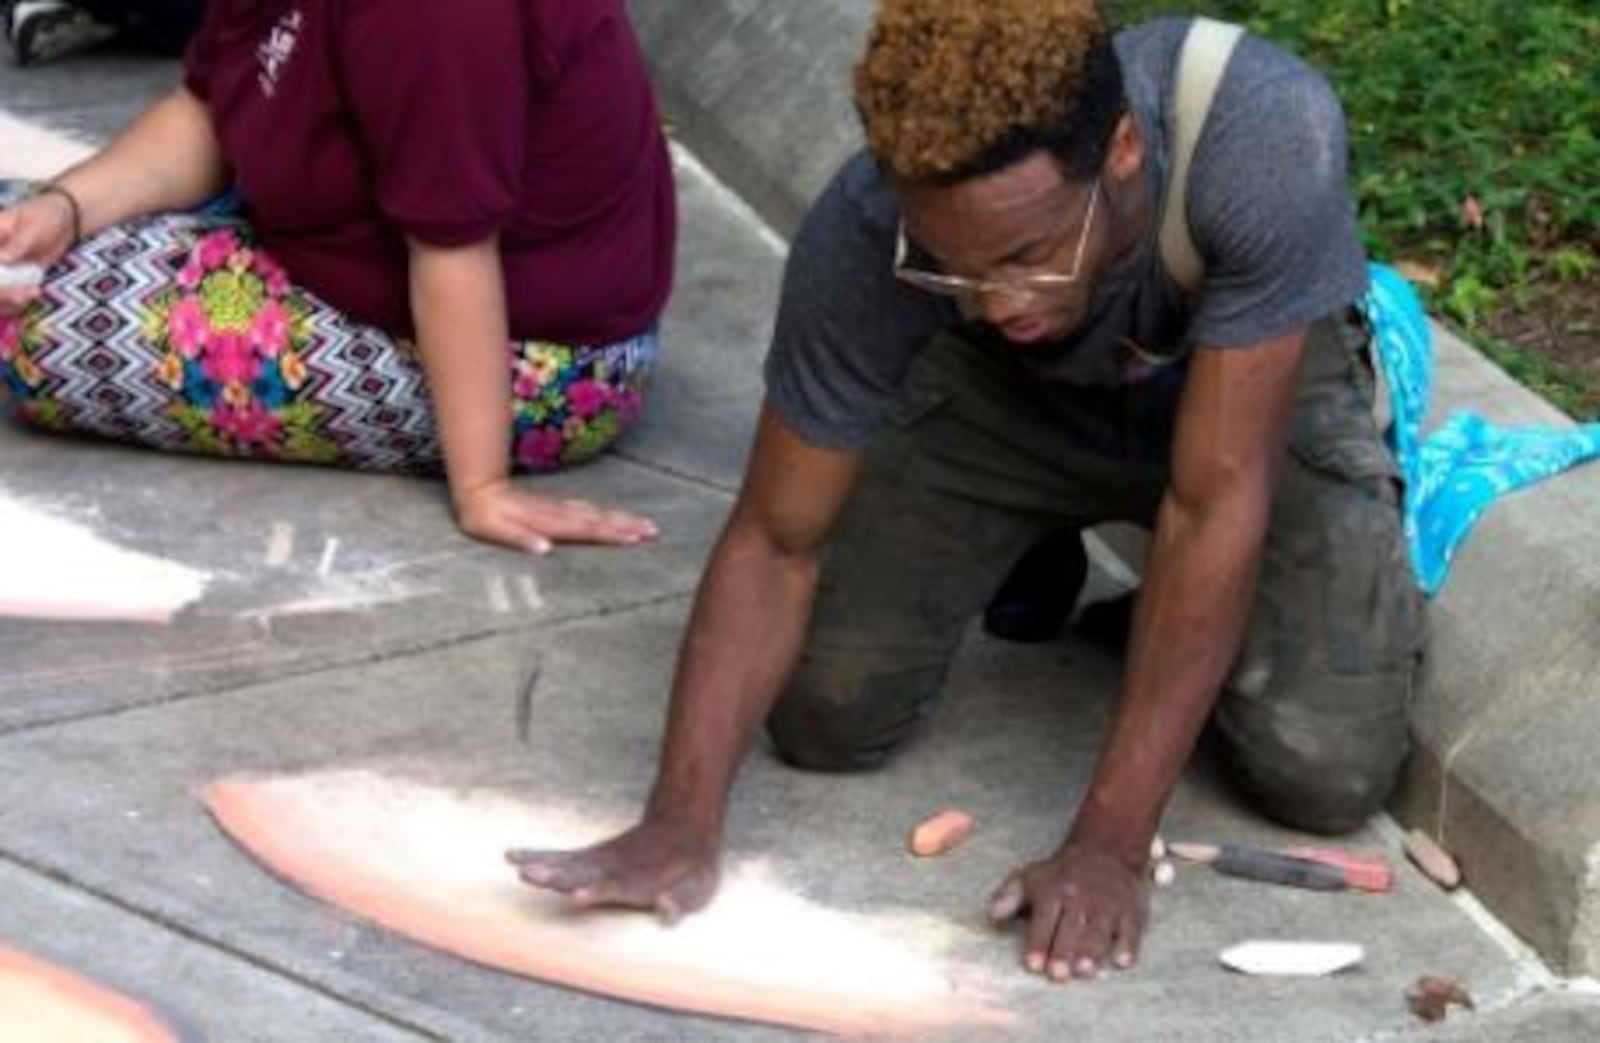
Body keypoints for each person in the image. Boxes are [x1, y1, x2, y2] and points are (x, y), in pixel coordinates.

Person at [508, 0, 1426, 984]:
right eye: (950, 267)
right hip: (1013, 404)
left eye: (1029, 255)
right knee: (823, 712)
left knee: (1324, 767)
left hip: (1237, 392)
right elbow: (775, 538)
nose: (996, 302)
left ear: (1120, 150)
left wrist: (1108, 845)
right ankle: (1030, 538)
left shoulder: (1259, 133)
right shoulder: (867, 226)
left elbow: (1211, 507)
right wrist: (676, 822)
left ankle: (1143, 607)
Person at [0, 0, 674, 554]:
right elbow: (208, 108)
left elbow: (453, 243)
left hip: (537, 361)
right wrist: (66, 206)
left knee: (32, 322)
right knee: (12, 236)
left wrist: (483, 485)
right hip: (376, 246)